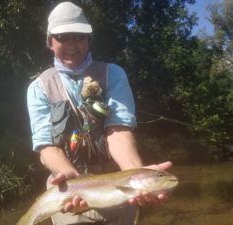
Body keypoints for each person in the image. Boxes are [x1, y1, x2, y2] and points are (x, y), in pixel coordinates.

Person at [27, 1, 172, 225]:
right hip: (67, 186)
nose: (72, 44)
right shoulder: (39, 87)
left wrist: (137, 174)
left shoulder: (113, 74)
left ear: (89, 39)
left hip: (114, 184)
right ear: (49, 41)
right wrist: (71, 177)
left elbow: (118, 131)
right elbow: (47, 147)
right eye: (63, 37)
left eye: (79, 36)